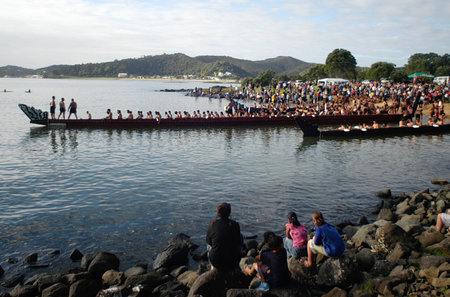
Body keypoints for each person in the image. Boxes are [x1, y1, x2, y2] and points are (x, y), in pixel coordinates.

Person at [206, 203, 242, 272]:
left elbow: (208, 242)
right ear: (229, 213)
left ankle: (212, 267)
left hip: (216, 262)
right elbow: (238, 241)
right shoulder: (235, 224)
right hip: (233, 261)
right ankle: (236, 266)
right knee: (240, 236)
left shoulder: (212, 224)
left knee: (209, 244)